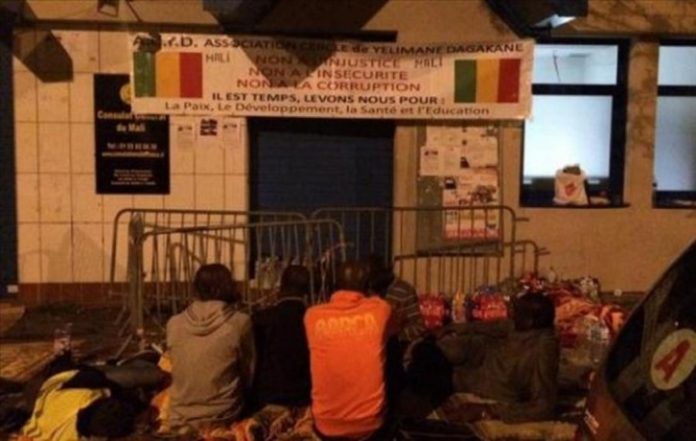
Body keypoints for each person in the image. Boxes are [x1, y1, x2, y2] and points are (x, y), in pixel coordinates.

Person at [409, 292, 560, 423]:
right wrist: (451, 328)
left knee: (429, 375)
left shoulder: (544, 348)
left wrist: (488, 410)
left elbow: (543, 406)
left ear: (530, 321)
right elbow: (497, 326)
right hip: (482, 358)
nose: (512, 315)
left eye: (517, 312)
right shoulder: (521, 326)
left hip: (488, 384)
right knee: (438, 349)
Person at [305, 261, 394, 440]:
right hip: (369, 424)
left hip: (326, 424)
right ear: (367, 287)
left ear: (332, 286)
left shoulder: (312, 316)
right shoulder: (381, 310)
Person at [166, 263, 255, 431]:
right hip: (223, 413)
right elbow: (248, 372)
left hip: (180, 414)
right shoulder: (239, 322)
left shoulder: (174, 323)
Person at [19, 352, 141, 441]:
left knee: (138, 376)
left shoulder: (86, 395)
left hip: (58, 380)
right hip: (51, 386)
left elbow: (95, 378)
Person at [252, 265, 311, 408]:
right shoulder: (312, 321)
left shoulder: (261, 319)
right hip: (302, 397)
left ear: (281, 286)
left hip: (267, 398)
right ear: (307, 291)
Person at [366, 256, 425, 344]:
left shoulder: (405, 291)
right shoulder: (367, 291)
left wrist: (396, 337)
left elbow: (418, 327)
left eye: (375, 274)